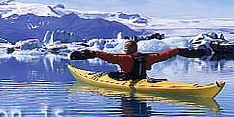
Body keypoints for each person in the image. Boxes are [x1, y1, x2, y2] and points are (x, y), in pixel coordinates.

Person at [72, 40, 202, 81]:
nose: (123, 50)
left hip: (130, 83)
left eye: (125, 48)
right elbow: (164, 55)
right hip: (143, 80)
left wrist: (92, 53)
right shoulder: (147, 58)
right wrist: (178, 50)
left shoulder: (124, 59)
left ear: (128, 49)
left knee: (111, 75)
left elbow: (107, 56)